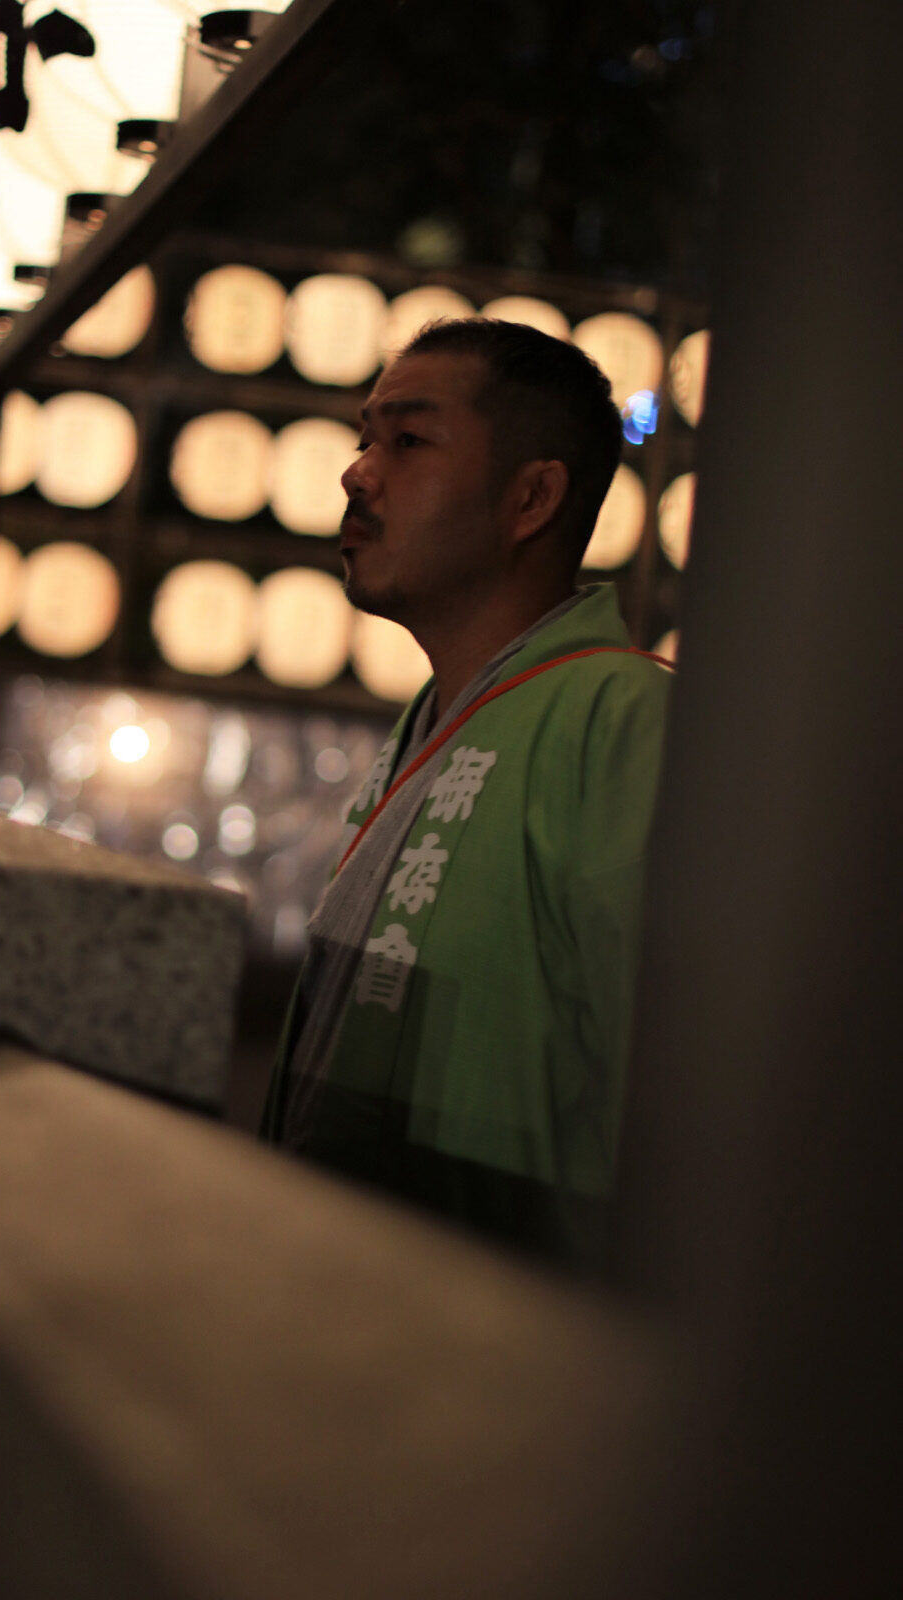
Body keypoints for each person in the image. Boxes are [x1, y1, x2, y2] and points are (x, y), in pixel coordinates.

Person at [260, 318, 674, 1267]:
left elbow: (685, 1110)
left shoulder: (626, 719)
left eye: (407, 441)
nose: (356, 473)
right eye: (367, 438)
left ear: (531, 498)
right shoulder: (441, 717)